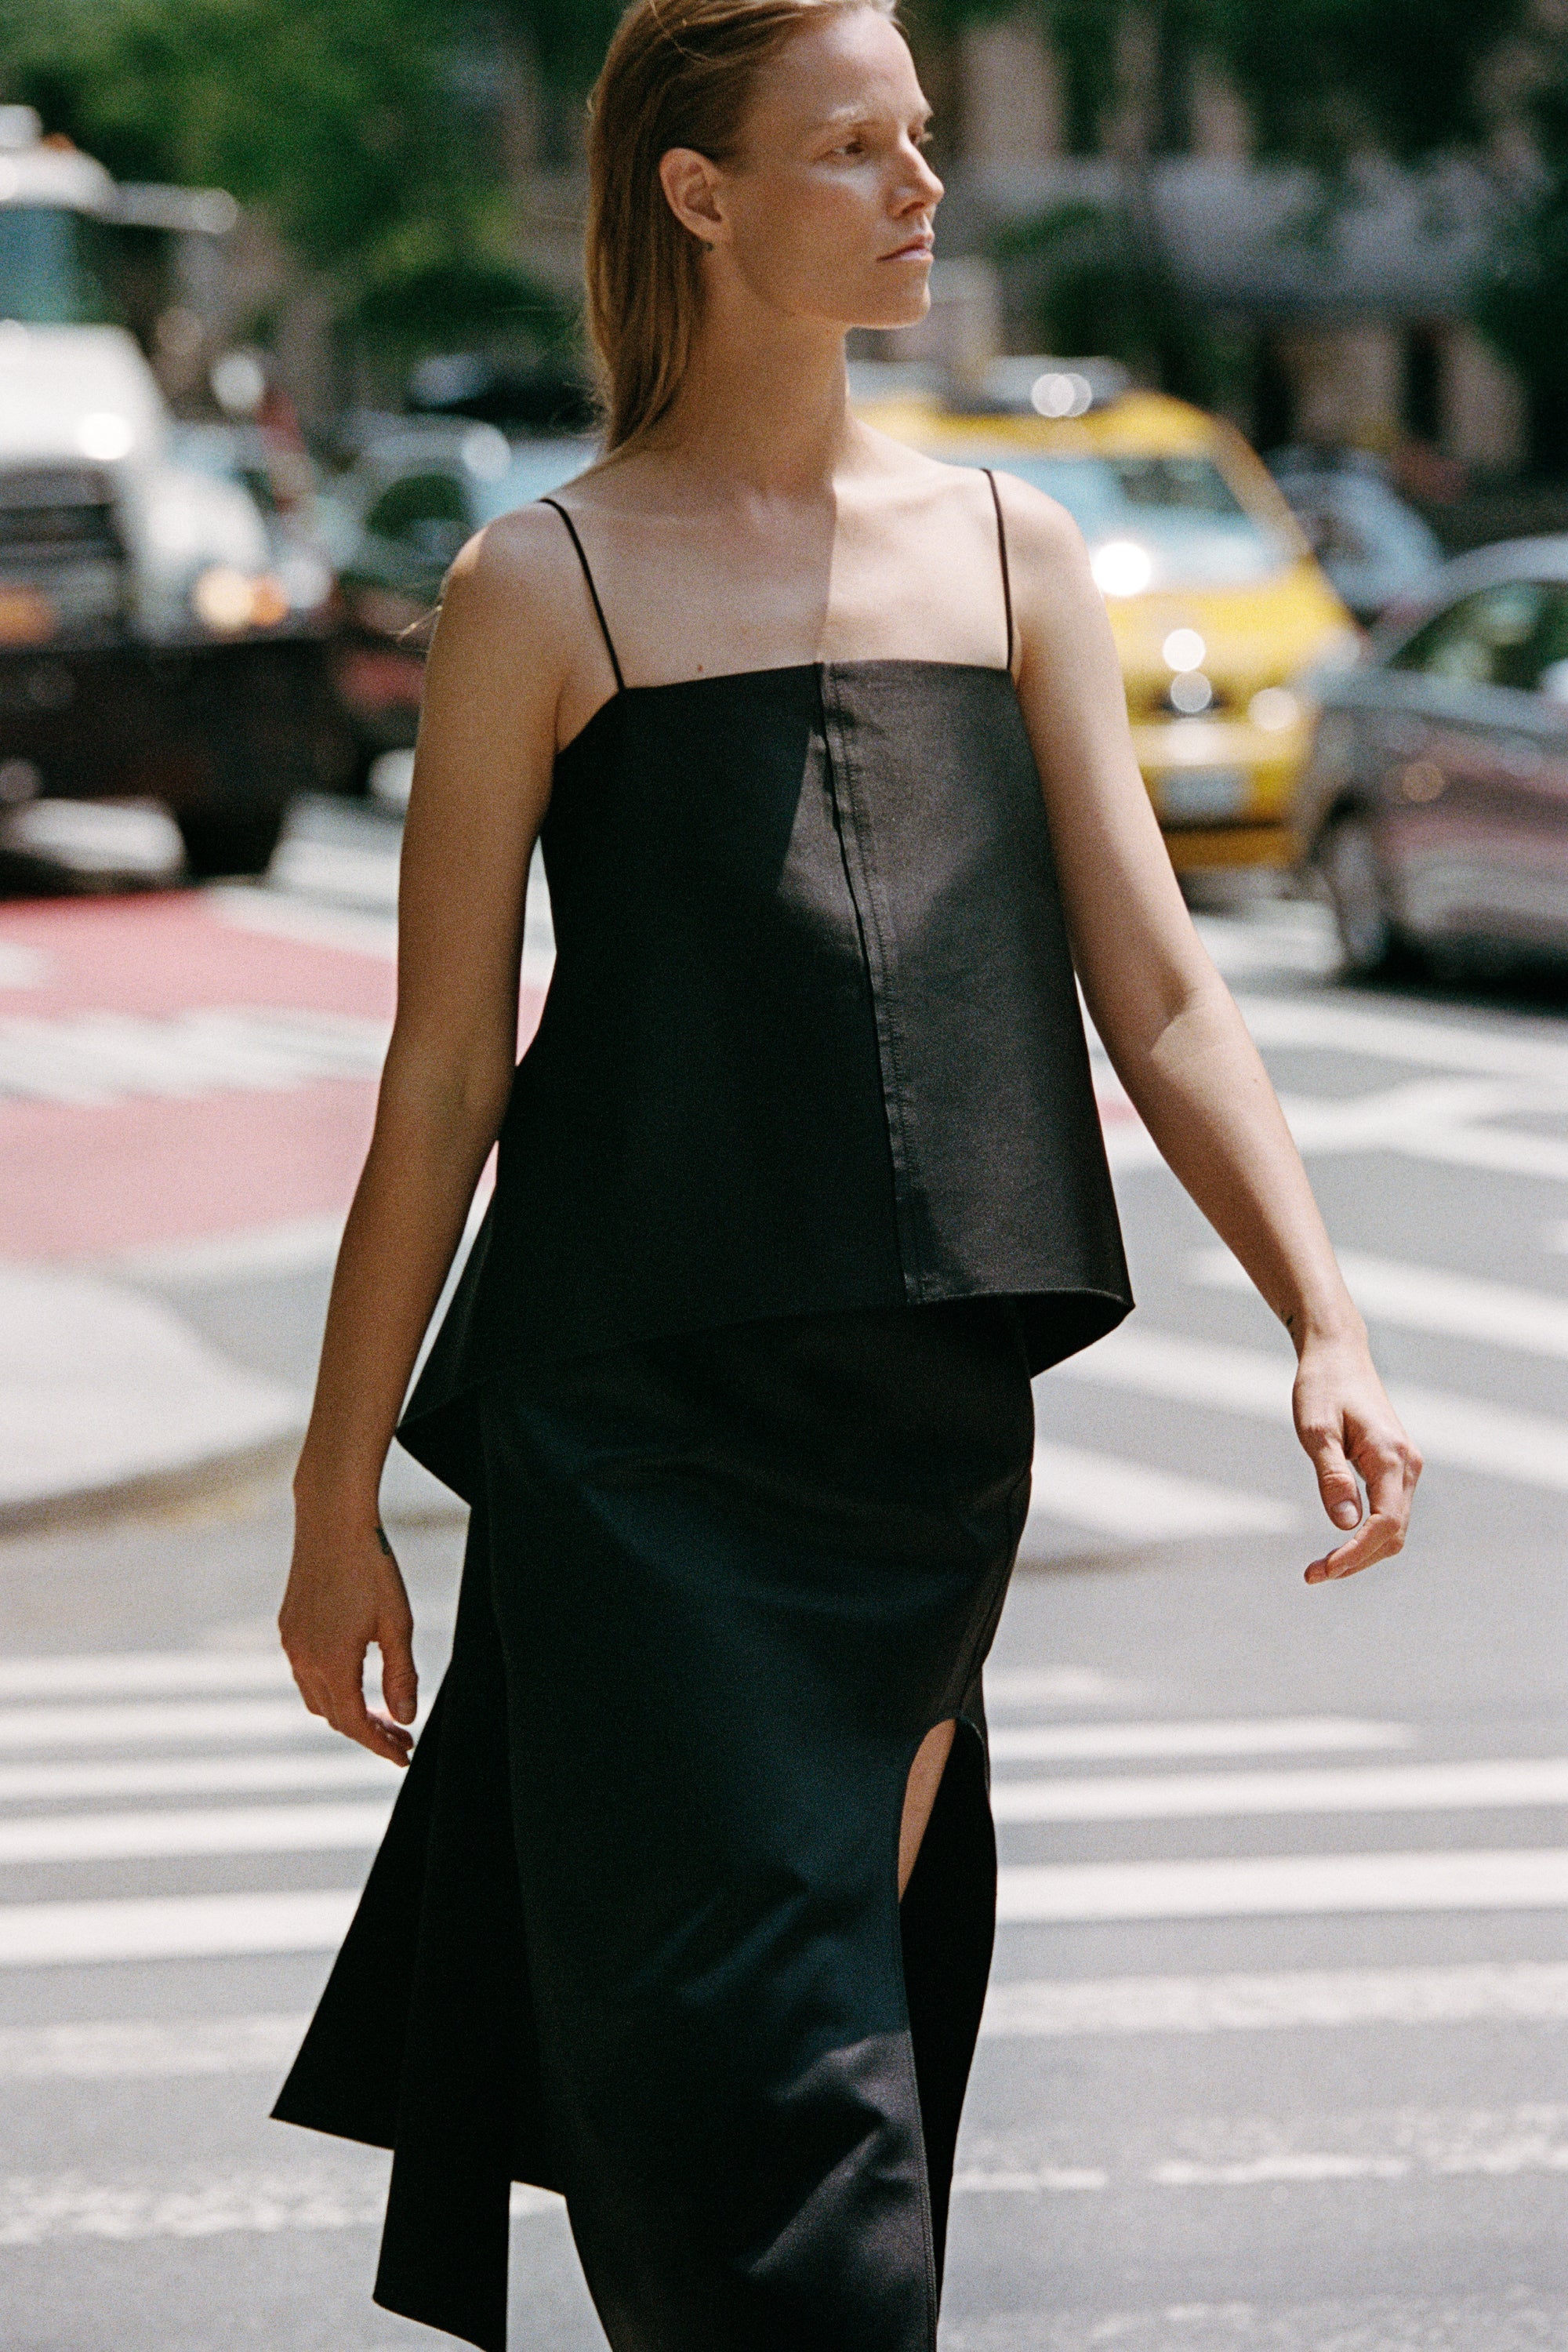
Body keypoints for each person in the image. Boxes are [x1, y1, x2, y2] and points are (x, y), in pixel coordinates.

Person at [272, 2, 1421, 2346]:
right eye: (855, 148)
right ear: (700, 197)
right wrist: (330, 1499)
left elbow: (1169, 994)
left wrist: (1327, 1311)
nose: (924, 189)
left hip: (914, 1462)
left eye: (921, 139)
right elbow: (438, 1082)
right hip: (630, 1460)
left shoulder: (1016, 550)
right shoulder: (539, 587)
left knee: (823, 2115)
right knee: (736, 2138)